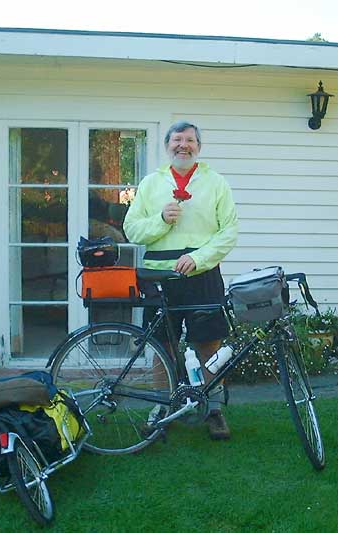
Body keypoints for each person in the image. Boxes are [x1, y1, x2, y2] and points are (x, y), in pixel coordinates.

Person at [123, 121, 239, 440]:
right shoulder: (150, 184)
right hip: (159, 279)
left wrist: (198, 258)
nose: (183, 145)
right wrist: (160, 220)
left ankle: (213, 409)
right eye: (177, 140)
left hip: (202, 276)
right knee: (162, 345)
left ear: (198, 147)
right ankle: (162, 406)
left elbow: (228, 232)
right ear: (167, 146)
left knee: (209, 343)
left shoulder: (216, 183)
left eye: (190, 140)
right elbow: (132, 230)